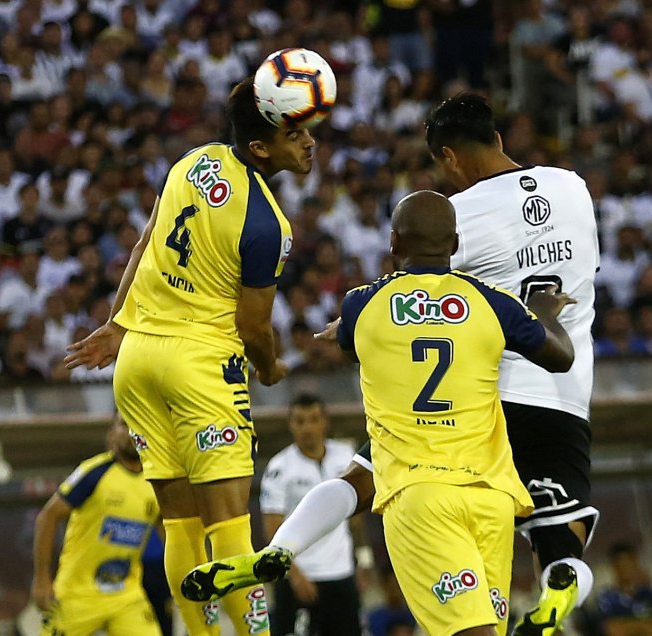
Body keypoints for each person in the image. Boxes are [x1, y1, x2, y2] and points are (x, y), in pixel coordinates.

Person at [180, 94, 601, 636]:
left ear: (448, 157)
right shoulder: (573, 189)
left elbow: (420, 286)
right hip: (563, 400)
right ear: (497, 138)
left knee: (361, 478)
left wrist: (352, 321)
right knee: (561, 533)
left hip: (474, 407)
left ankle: (282, 549)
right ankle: (557, 587)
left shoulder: (457, 215)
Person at [63, 76, 316, 636]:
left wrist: (116, 323)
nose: (309, 143)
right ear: (260, 148)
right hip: (200, 365)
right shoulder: (267, 224)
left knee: (181, 524)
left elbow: (144, 242)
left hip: (137, 360)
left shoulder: (192, 161)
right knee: (229, 526)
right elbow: (253, 327)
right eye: (296, 135)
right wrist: (270, 367)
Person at [30, 414, 161, 636]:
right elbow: (48, 517)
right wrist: (42, 578)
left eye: (138, 424)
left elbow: (168, 526)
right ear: (112, 434)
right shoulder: (94, 472)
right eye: (124, 425)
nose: (131, 431)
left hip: (126, 596)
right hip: (77, 595)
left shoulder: (156, 478)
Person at [259, 393, 362, 635]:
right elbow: (272, 528)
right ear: (291, 425)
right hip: (301, 577)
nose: (307, 428)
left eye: (314, 419)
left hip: (341, 572)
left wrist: (363, 560)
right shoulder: (279, 468)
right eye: (300, 421)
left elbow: (356, 518)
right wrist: (295, 576)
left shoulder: (346, 457)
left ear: (325, 421)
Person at [596, 542, 652, 636]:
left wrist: (630, 627)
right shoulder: (607, 598)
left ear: (636, 563)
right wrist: (651, 625)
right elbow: (613, 630)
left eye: (628, 563)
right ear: (614, 567)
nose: (625, 569)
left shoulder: (649, 594)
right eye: (620, 564)